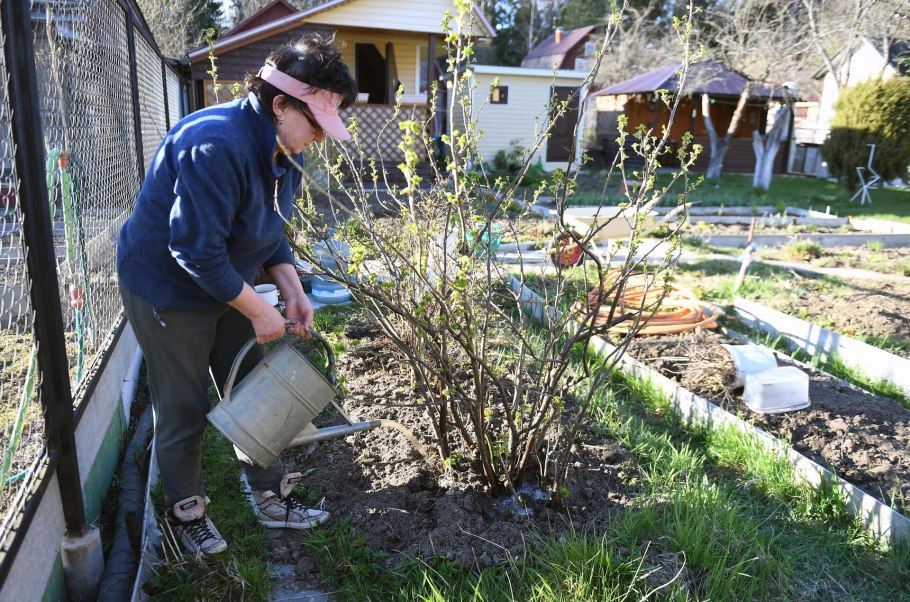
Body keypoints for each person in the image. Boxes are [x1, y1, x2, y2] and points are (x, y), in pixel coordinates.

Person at [117, 34, 357, 556]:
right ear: (281, 104)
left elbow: (269, 227)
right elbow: (195, 251)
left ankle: (269, 495)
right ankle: (187, 513)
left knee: (253, 384)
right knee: (183, 405)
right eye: (316, 123)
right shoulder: (216, 145)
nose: (321, 137)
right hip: (168, 288)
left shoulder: (283, 149)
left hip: (225, 278)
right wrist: (259, 311)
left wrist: (290, 287)